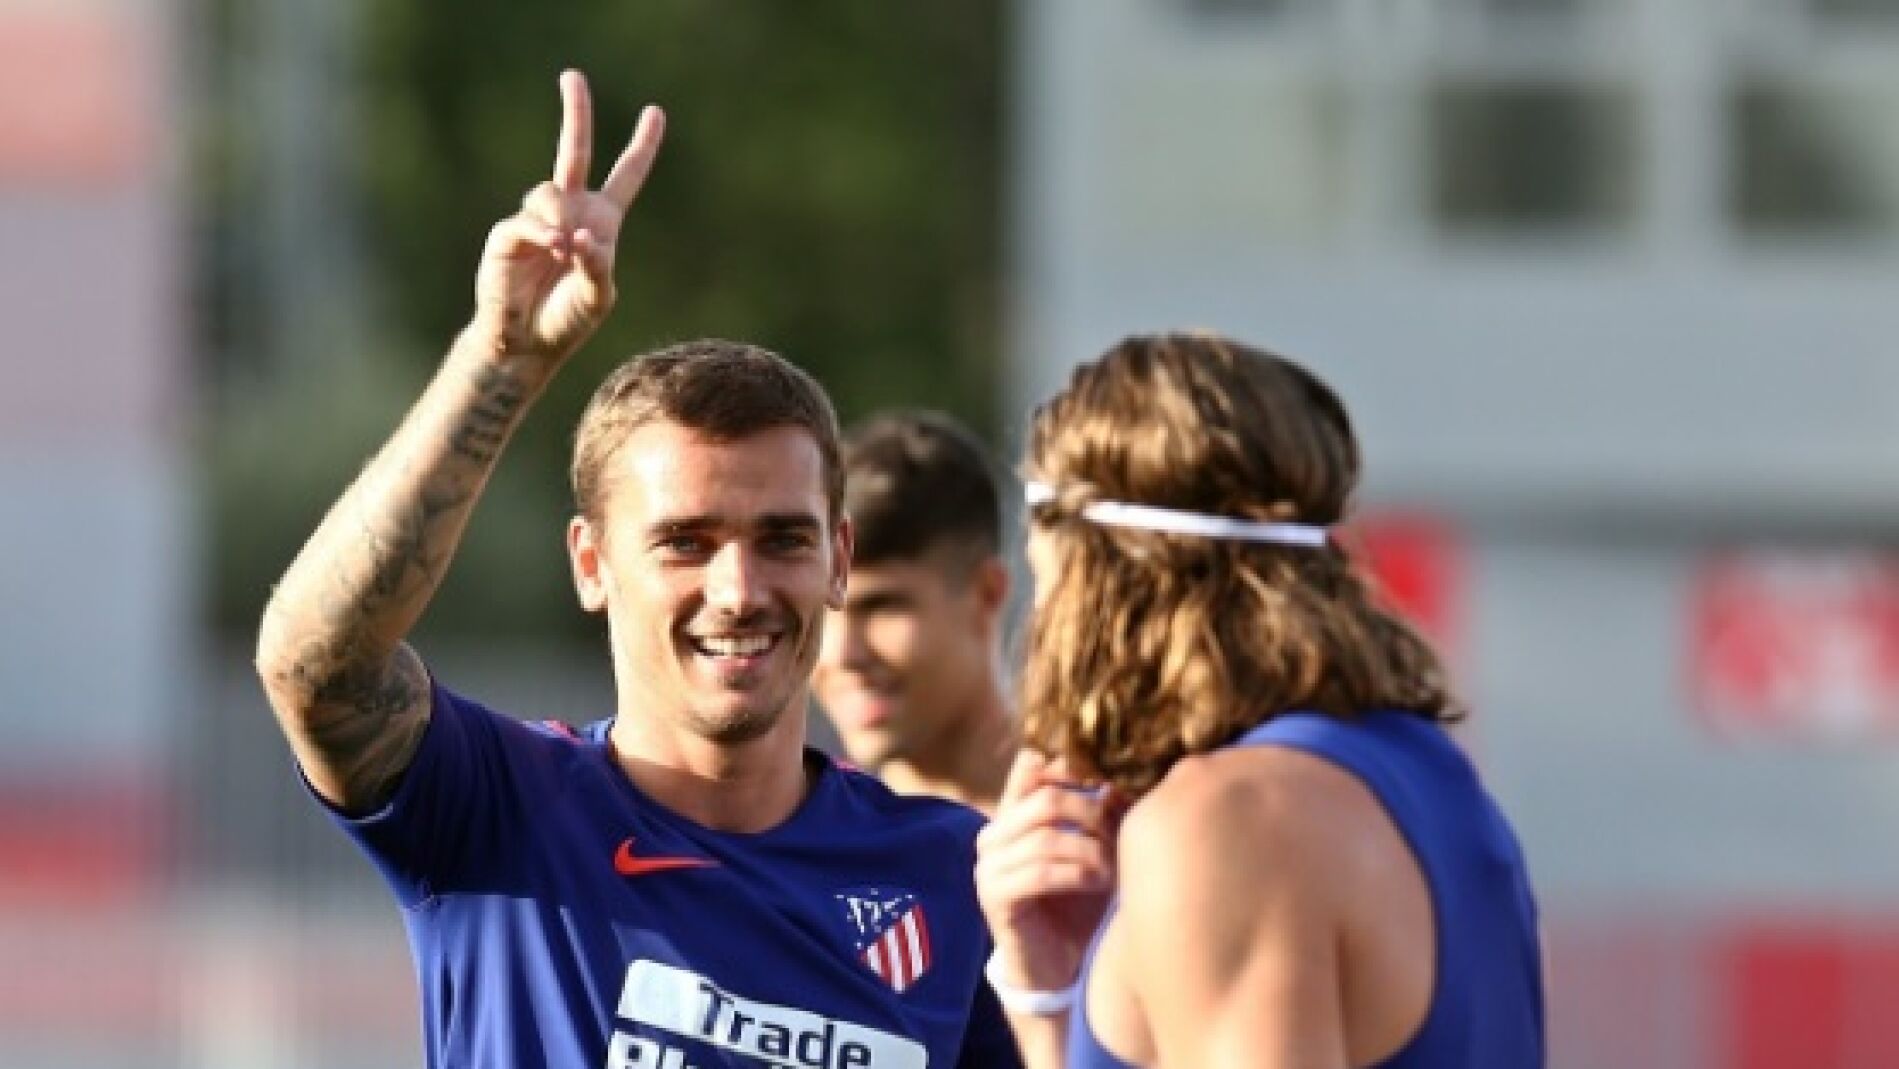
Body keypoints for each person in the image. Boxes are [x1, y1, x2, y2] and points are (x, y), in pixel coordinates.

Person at [255, 71, 1020, 1069]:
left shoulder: (950, 873)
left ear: (838, 558)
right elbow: (316, 664)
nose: (738, 591)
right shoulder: (501, 810)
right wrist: (500, 360)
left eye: (783, 539)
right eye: (684, 542)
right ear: (592, 562)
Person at [973, 333, 1545, 1068]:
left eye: (1044, 580)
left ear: (1097, 584)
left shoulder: (1226, 822)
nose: (1040, 626)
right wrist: (1051, 996)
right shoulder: (1431, 778)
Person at [814, 411, 1014, 814]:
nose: (841, 654)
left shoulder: (1111, 823)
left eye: (881, 606)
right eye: (820, 610)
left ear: (986, 595)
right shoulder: (812, 838)